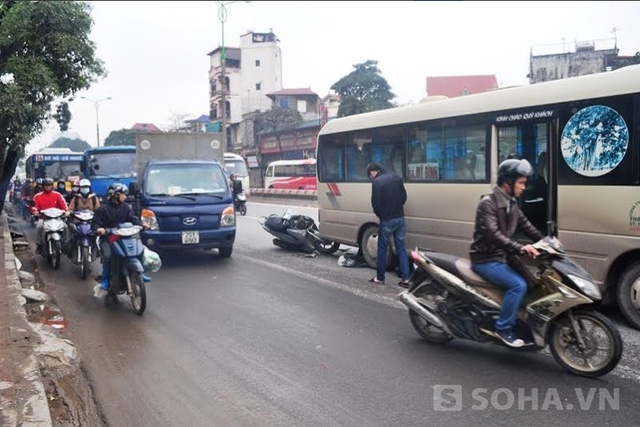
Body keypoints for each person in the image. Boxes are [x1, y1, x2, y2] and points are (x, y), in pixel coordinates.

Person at [469, 158, 544, 348]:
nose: (523, 188)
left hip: (502, 256)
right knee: (518, 286)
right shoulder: (488, 203)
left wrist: (546, 241)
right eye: (521, 183)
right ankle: (502, 328)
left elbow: (527, 226)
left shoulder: (512, 203)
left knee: (532, 284)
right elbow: (494, 234)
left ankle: (521, 324)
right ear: (507, 183)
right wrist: (519, 248)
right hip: (485, 259)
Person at [91, 183, 150, 296]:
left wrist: (142, 224)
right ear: (115, 195)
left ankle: (140, 274)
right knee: (108, 256)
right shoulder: (103, 209)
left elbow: (133, 219)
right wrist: (99, 229)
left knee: (139, 250)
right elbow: (95, 224)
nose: (125, 197)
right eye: (123, 194)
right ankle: (106, 280)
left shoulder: (126, 208)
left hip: (125, 236)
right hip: (108, 238)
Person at [366, 162, 411, 286]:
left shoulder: (377, 182)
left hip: (387, 220)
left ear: (372, 172)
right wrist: (397, 208)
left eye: (370, 176)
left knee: (382, 249)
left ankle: (380, 278)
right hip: (400, 218)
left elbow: (375, 204)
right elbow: (404, 197)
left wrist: (382, 215)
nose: (371, 178)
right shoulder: (397, 178)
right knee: (401, 248)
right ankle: (406, 279)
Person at [33, 177, 69, 254]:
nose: (48, 187)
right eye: (46, 185)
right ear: (43, 186)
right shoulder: (38, 196)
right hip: (43, 218)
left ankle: (66, 243)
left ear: (52, 186)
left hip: (56, 218)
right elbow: (34, 207)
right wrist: (35, 212)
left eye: (49, 185)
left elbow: (64, 205)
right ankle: (39, 245)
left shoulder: (57, 195)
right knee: (39, 227)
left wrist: (66, 211)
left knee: (65, 227)